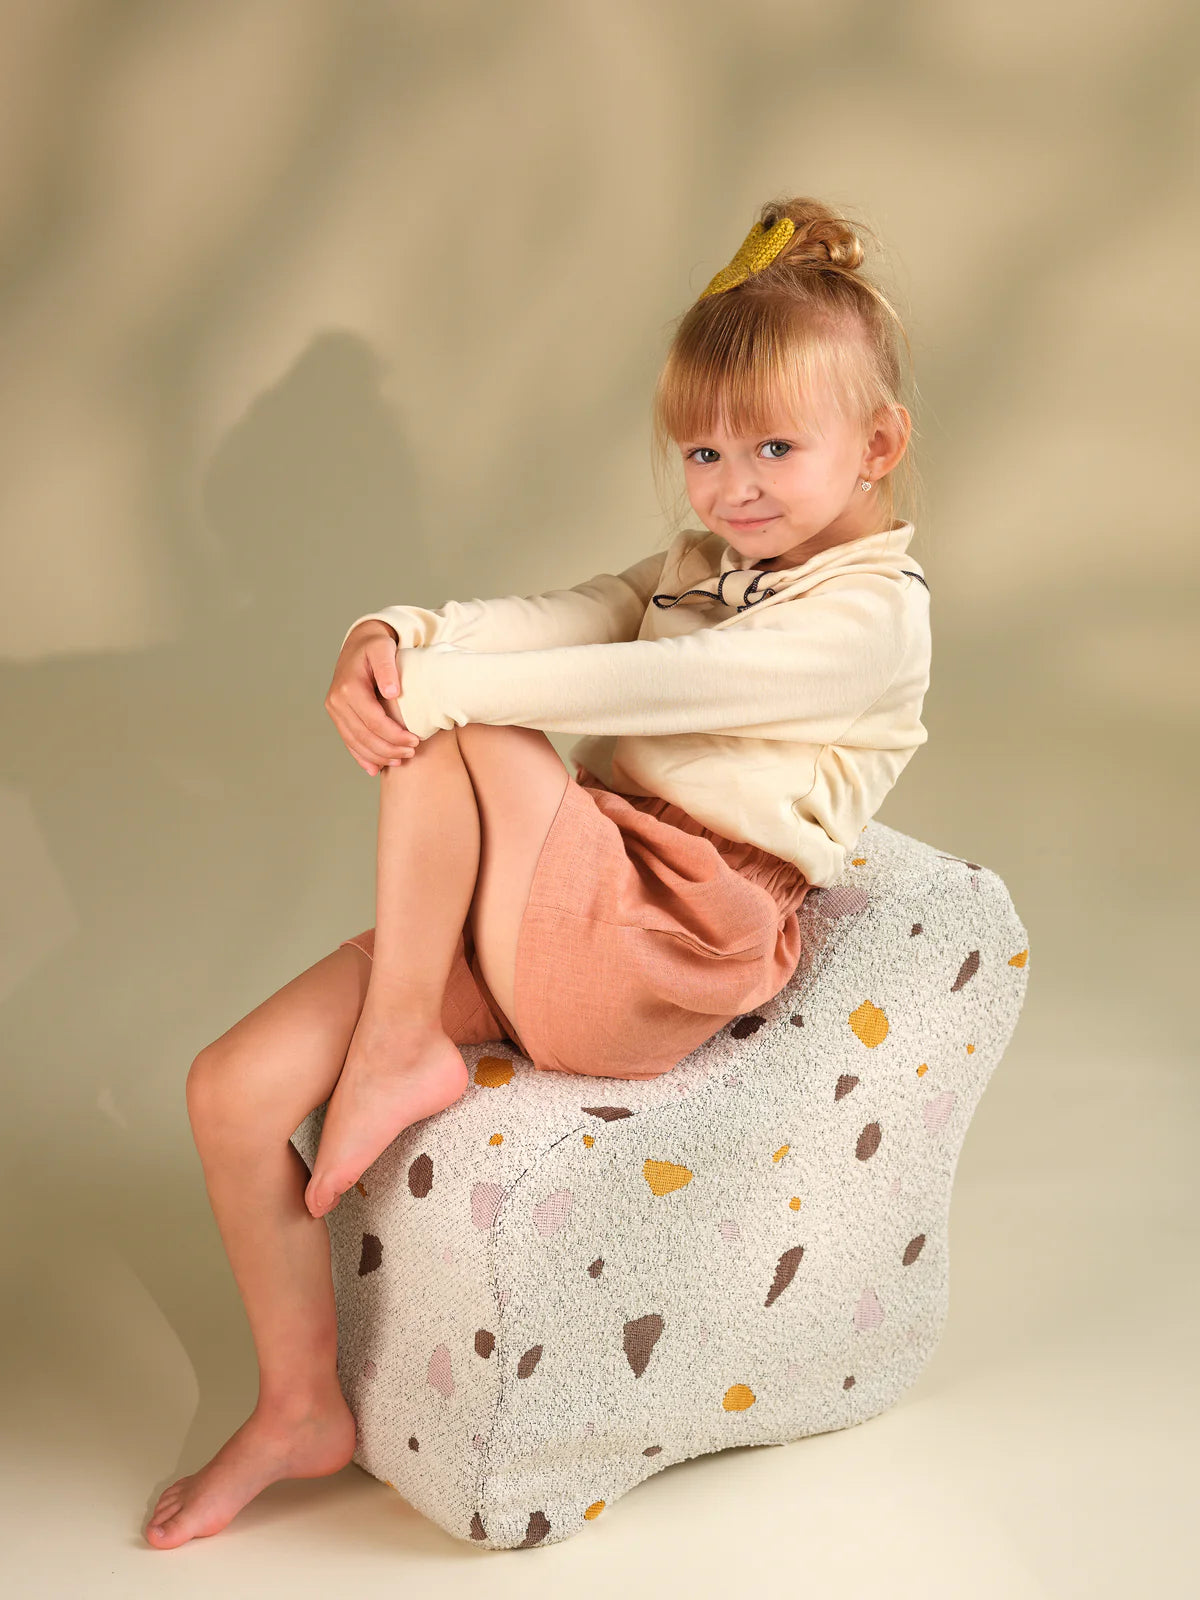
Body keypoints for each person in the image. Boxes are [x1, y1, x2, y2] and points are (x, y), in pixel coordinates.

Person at [145, 195, 931, 1548]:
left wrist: (437, 688)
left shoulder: (871, 617)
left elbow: (659, 681)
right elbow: (561, 616)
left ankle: (402, 1041)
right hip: (557, 899)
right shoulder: (695, 565)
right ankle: (297, 1404)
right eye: (703, 451)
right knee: (233, 1089)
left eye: (775, 447)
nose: (733, 484)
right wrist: (392, 634)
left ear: (877, 445)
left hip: (668, 938)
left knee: (468, 723)